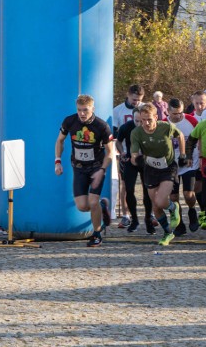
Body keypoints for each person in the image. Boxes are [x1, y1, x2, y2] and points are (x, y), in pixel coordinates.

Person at [54, 94, 113, 246]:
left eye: (85, 110)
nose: (82, 113)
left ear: (93, 109)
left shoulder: (102, 126)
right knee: (82, 206)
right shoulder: (69, 121)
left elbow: (110, 152)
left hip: (96, 168)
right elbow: (60, 140)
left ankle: (97, 234)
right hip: (79, 167)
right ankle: (102, 207)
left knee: (92, 202)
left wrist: (102, 169)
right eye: (79, 110)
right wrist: (58, 161)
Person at [130, 103, 187, 247]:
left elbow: (180, 135)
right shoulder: (136, 133)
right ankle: (168, 232)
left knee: (161, 201)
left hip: (168, 167)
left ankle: (174, 208)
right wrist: (136, 159)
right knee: (155, 206)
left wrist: (183, 154)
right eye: (142, 120)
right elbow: (134, 153)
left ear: (156, 117)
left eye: (149, 119)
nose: (146, 123)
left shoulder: (165, 127)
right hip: (150, 169)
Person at [115, 105, 152, 233]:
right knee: (129, 189)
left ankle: (148, 218)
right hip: (131, 159)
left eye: (141, 121)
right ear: (133, 118)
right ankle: (134, 219)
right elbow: (118, 141)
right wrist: (122, 153)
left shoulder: (149, 126)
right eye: (136, 121)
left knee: (147, 190)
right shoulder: (126, 127)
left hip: (146, 160)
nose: (139, 123)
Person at [167, 98, 200, 235]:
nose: (178, 116)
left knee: (188, 194)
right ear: (168, 111)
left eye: (180, 112)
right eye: (175, 113)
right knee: (173, 197)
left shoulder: (191, 121)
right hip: (171, 164)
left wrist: (192, 156)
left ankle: (192, 210)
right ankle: (179, 223)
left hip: (189, 163)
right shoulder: (164, 123)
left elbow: (199, 137)